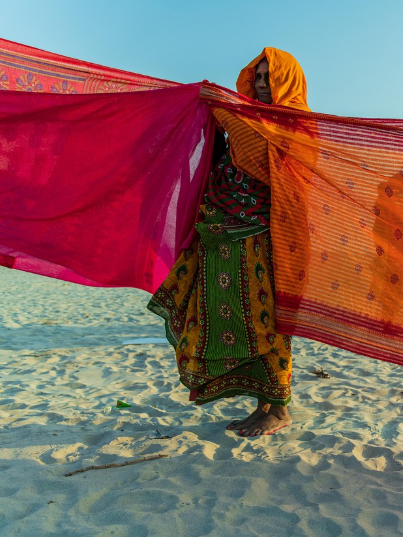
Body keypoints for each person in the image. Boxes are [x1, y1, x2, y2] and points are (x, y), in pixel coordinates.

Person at [148, 48, 310, 436]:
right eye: (256, 76)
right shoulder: (245, 119)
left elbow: (260, 159)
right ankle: (264, 405)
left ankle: (279, 408)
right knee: (238, 324)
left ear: (286, 81)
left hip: (264, 244)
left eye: (269, 77)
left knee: (269, 324)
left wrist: (224, 110)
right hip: (221, 239)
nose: (260, 84)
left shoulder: (297, 125)